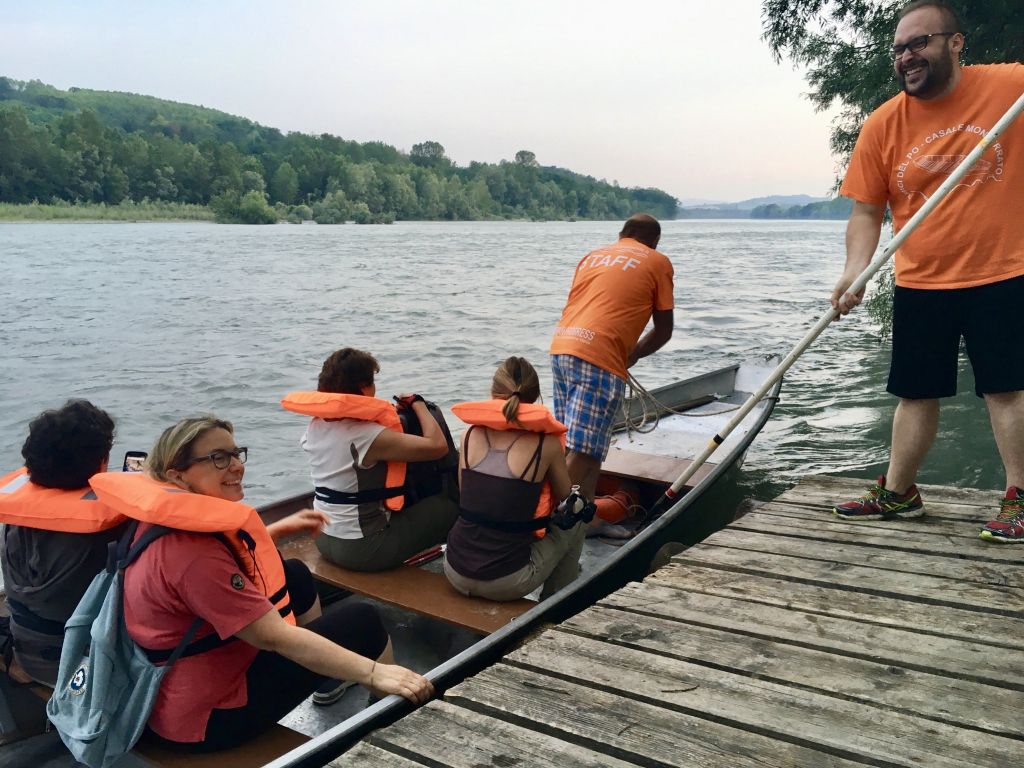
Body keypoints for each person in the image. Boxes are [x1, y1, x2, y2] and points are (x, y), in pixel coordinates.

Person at [96, 416, 432, 752]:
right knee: (364, 622)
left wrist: (276, 530)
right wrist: (373, 673)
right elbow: (271, 636)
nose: (236, 467)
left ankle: (329, 675)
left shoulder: (158, 523)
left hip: (176, 684)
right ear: (176, 474)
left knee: (295, 575)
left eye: (235, 453)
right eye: (218, 458)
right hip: (206, 715)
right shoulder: (191, 554)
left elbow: (214, 568)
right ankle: (388, 731)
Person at [830, 0, 1024, 541]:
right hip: (921, 279)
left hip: (1004, 272)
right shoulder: (883, 124)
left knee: (1008, 390)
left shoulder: (1011, 87)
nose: (906, 57)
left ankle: (1021, 498)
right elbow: (867, 211)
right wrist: (856, 272)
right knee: (914, 393)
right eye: (898, 49)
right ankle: (899, 493)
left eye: (919, 43)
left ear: (955, 43)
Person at [0, 400, 130, 686]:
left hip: (29, 653)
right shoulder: (117, 525)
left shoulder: (15, 517)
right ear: (101, 463)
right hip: (86, 665)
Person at [549, 214, 675, 507]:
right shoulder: (658, 261)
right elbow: (664, 330)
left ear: (622, 234)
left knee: (586, 446)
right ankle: (545, 521)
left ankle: (585, 522)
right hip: (600, 356)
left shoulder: (592, 256)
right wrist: (634, 354)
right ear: (654, 241)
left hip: (562, 347)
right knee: (583, 449)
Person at [294, 348, 459, 571]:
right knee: (449, 506)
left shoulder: (314, 426)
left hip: (323, 538)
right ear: (364, 387)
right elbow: (437, 447)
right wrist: (419, 404)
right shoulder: (365, 435)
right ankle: (470, 568)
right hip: (365, 548)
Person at [444, 357, 586, 600]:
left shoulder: (469, 435)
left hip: (455, 569)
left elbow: (466, 493)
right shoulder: (546, 444)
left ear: (492, 392)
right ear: (535, 398)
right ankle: (556, 605)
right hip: (506, 582)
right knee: (578, 522)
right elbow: (567, 503)